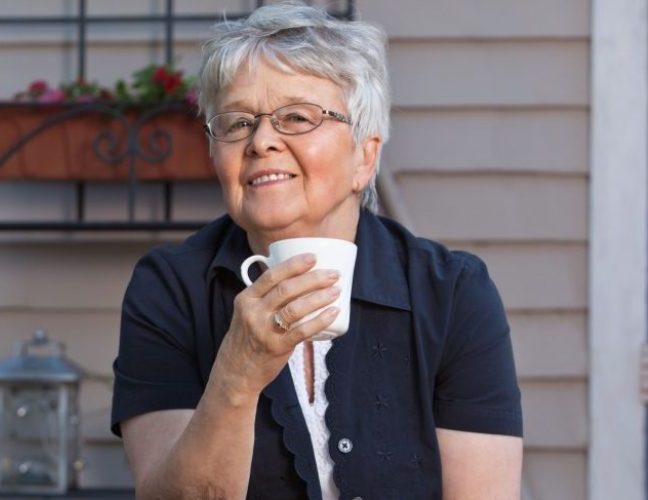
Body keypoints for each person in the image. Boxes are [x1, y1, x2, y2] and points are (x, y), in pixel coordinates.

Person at [111, 3, 523, 499]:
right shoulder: (171, 289)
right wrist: (238, 376)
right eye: (237, 122)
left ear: (364, 156)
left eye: (297, 117)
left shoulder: (451, 294)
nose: (262, 140)